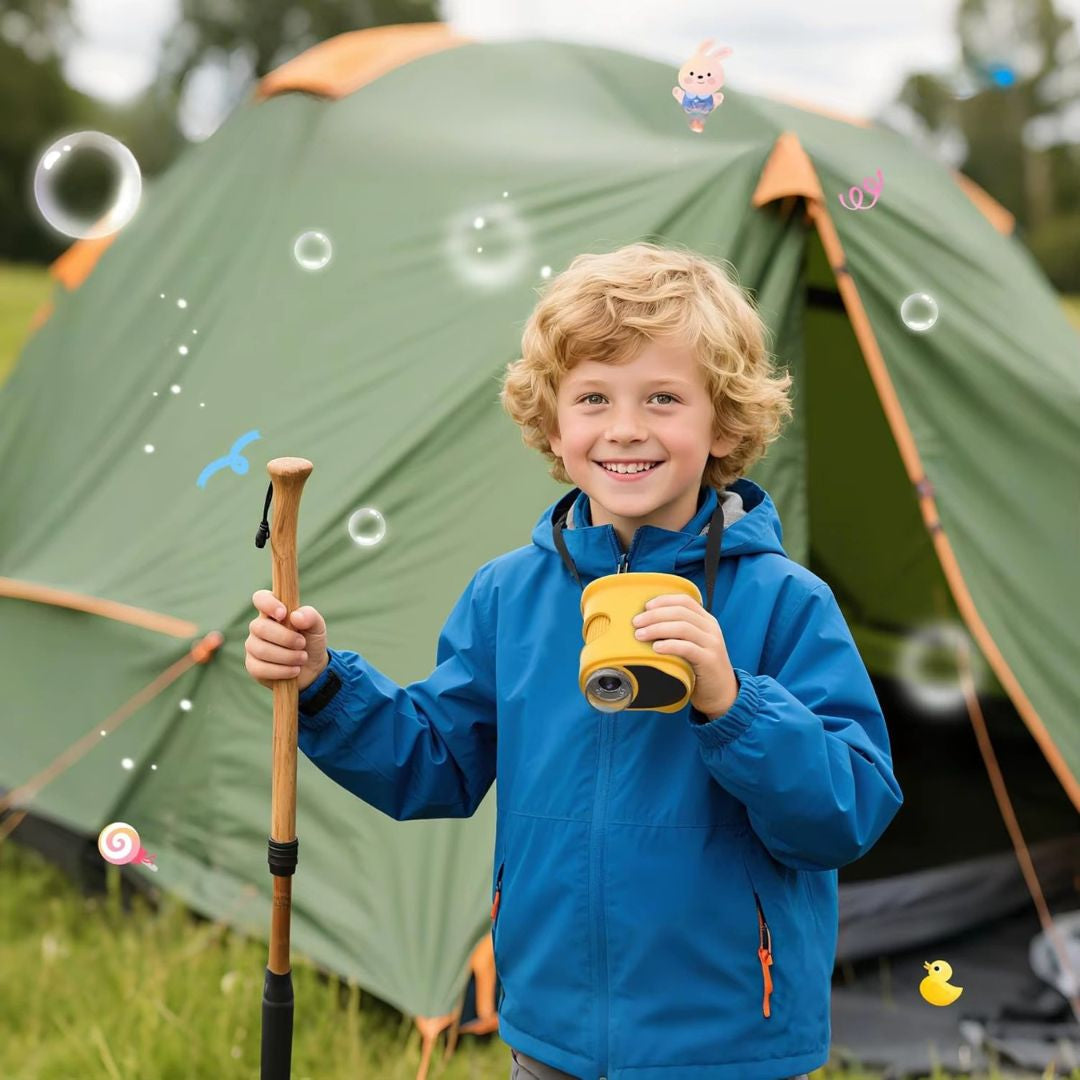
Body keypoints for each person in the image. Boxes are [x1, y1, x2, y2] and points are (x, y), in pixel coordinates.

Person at [244, 242, 904, 1080]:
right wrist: (324, 684)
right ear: (553, 425)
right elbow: (434, 764)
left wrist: (733, 702)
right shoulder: (509, 596)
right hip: (550, 1034)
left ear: (725, 421)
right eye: (594, 397)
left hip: (728, 1043)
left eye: (663, 398)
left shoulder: (783, 601)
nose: (626, 427)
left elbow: (844, 815)